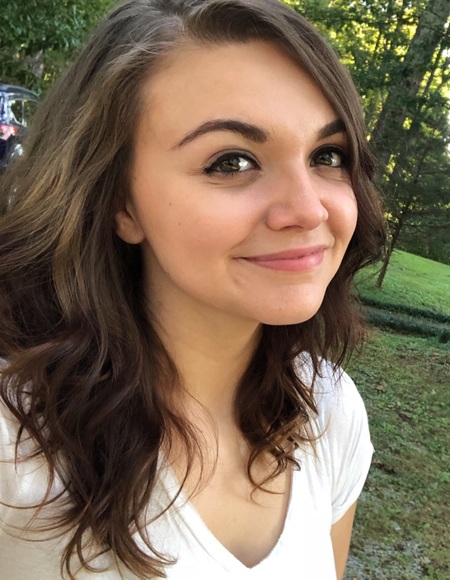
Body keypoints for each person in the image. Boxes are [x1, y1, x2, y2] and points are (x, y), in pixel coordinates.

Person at [0, 0, 386, 578]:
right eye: (232, 162)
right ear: (121, 203)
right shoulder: (17, 447)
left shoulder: (330, 412)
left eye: (327, 156)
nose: (309, 210)